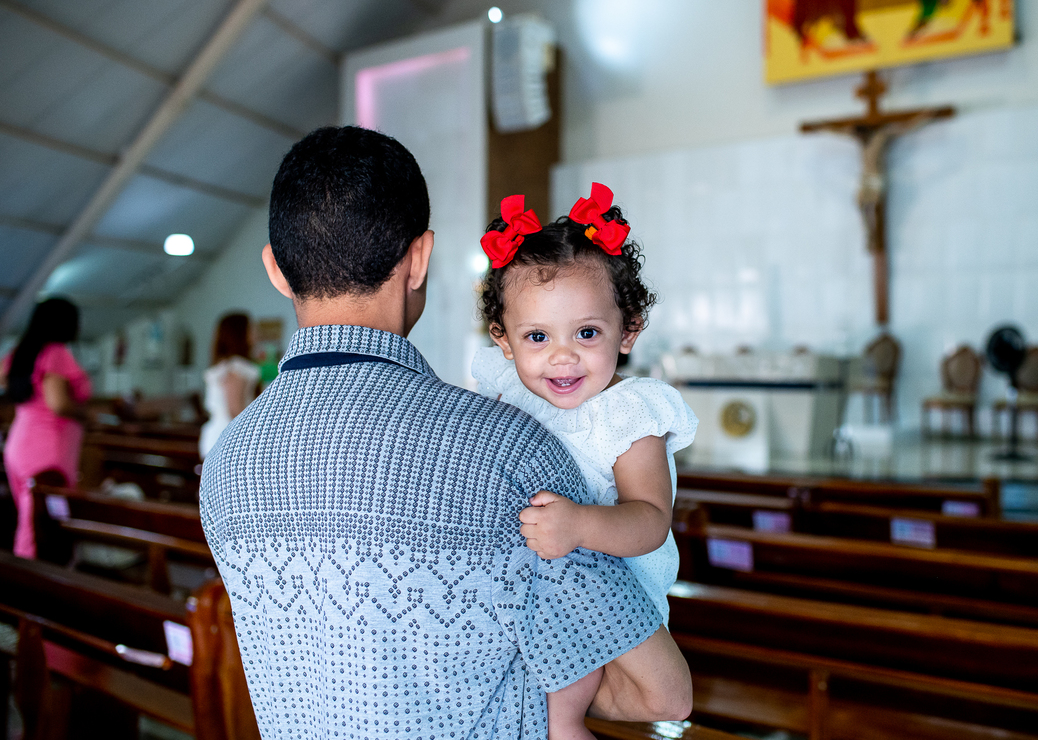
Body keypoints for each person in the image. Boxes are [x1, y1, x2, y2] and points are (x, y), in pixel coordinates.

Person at [199, 126, 691, 740]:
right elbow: (661, 692)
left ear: (275, 268)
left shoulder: (227, 462)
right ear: (420, 257)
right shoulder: (504, 448)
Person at [472, 185, 697, 740]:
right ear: (503, 339)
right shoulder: (514, 391)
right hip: (544, 580)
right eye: (537, 336)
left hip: (616, 585)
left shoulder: (628, 414)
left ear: (630, 328)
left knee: (561, 713)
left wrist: (578, 524)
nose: (562, 355)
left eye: (587, 333)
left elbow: (650, 519)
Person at [1, 297, 91, 557]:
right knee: (39, 527)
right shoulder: (56, 353)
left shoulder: (23, 352)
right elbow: (58, 404)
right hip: (47, 450)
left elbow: (5, 378)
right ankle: (31, 582)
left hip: (19, 445)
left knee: (30, 520)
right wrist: (86, 414)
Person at [198, 312, 260, 458]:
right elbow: (234, 408)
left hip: (218, 433)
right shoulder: (237, 367)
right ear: (239, 333)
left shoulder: (227, 364)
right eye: (252, 329)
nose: (256, 333)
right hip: (228, 436)